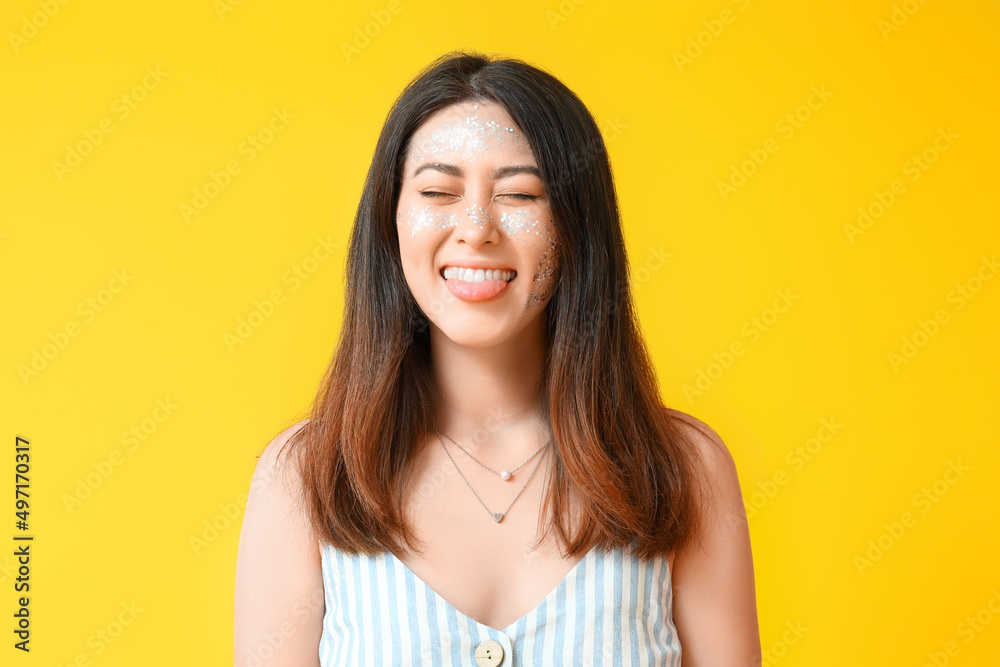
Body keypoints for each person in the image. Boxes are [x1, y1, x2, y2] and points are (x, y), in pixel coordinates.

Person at [234, 50, 760, 666]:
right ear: (391, 221)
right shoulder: (304, 478)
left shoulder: (682, 470)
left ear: (577, 229)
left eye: (520, 195)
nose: (477, 227)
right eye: (437, 190)